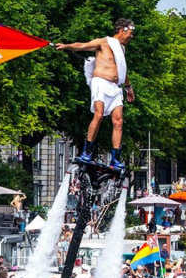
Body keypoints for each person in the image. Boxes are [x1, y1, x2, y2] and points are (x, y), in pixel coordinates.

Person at [55, 18, 136, 170]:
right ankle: (87, 151)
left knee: (118, 122)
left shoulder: (122, 49)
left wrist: (128, 88)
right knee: (98, 115)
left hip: (115, 88)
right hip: (101, 83)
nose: (131, 37)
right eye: (130, 33)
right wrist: (66, 46)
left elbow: (122, 71)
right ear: (122, 30)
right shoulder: (104, 42)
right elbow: (82, 46)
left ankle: (115, 158)